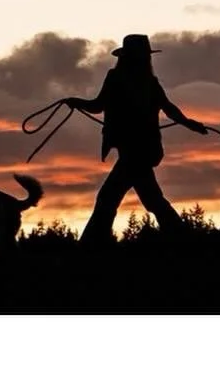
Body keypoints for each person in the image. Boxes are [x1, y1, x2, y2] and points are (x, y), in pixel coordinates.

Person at [73, 34, 209, 246]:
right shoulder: (148, 82)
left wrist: (74, 102)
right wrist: (190, 124)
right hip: (145, 151)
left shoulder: (117, 78)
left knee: (108, 199)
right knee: (151, 200)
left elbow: (97, 106)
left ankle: (89, 248)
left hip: (134, 152)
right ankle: (184, 240)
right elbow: (169, 109)